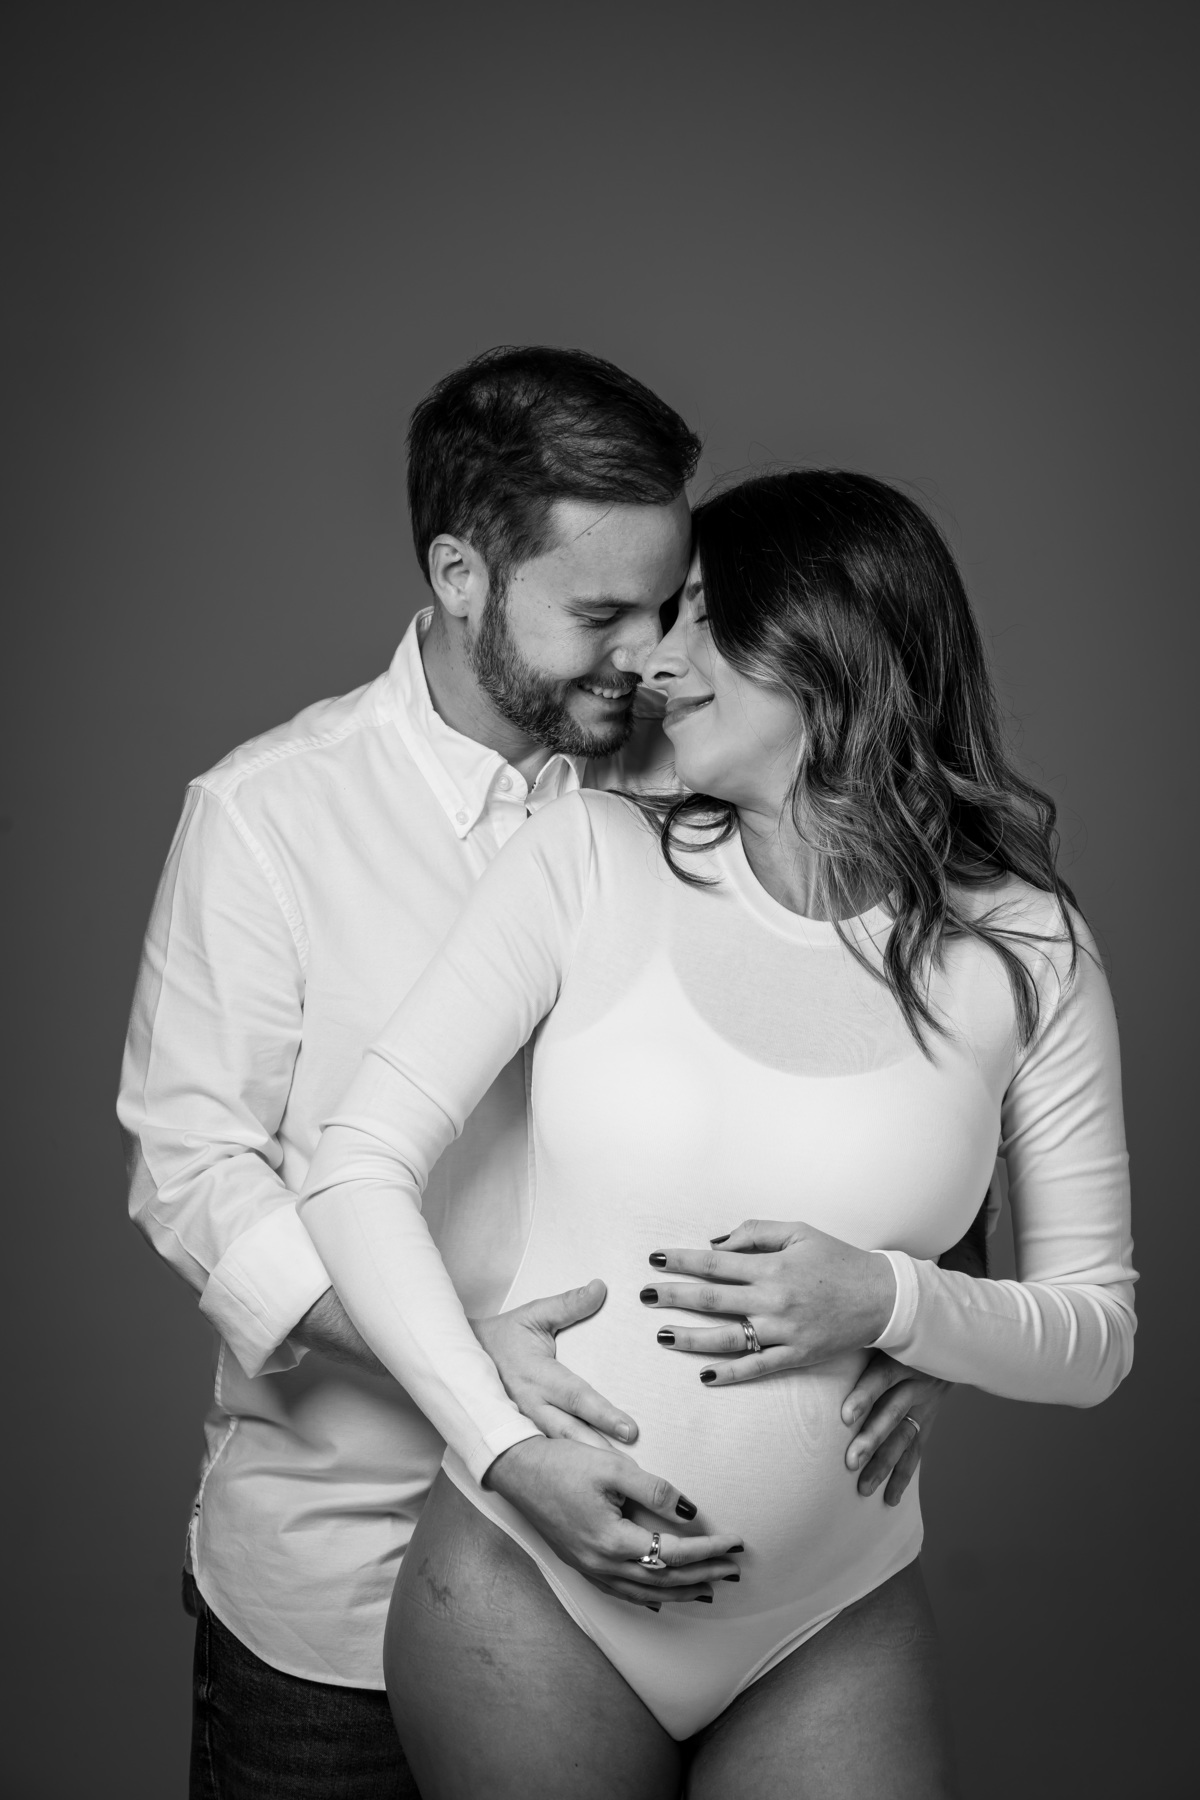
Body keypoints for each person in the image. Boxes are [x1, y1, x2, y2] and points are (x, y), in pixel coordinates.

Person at [118, 352, 965, 1798]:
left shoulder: (710, 783)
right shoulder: (268, 818)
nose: (647, 654)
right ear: (460, 574)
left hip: (672, 1592)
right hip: (345, 1578)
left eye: (669, 605)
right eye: (599, 615)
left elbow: (912, 1047)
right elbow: (197, 1179)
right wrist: (466, 1368)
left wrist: (924, 1313)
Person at [299, 469, 1136, 1800]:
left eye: (697, 617)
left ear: (823, 646)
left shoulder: (1029, 949)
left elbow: (1096, 1336)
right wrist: (504, 1450)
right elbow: (353, 1166)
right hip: (530, 1592)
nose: (654, 664)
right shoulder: (586, 859)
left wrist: (899, 1303)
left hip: (827, 1623)